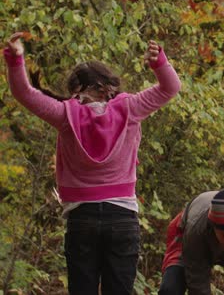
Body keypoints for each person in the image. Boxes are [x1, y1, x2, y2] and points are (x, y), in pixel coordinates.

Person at [3, 32, 181, 295]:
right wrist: (160, 62)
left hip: (81, 218)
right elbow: (171, 88)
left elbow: (24, 93)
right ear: (107, 85)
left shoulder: (64, 115)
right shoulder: (131, 108)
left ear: (76, 89)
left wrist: (15, 59)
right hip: (122, 217)